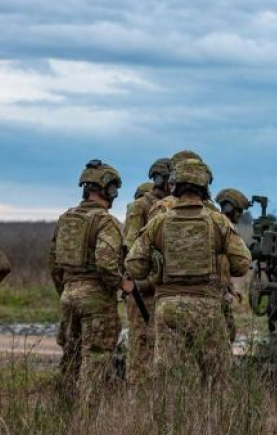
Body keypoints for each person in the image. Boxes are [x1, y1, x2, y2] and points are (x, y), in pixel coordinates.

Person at [125, 159, 250, 384]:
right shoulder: (219, 222)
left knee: (170, 381)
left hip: (168, 308)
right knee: (217, 380)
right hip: (207, 309)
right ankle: (211, 418)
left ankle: (173, 418)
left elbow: (134, 265)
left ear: (174, 185)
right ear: (205, 188)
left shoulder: (158, 222)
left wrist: (158, 262)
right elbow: (241, 264)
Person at [49, 159, 124, 403]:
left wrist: (67, 288)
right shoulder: (106, 221)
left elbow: (54, 264)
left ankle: (64, 411)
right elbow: (106, 263)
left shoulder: (65, 218)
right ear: (107, 189)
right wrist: (121, 284)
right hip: (96, 299)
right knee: (95, 360)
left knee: (70, 357)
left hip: (68, 295)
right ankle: (87, 419)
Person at [121, 157, 172, 385]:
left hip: (163, 290)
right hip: (143, 290)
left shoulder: (170, 206)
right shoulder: (141, 207)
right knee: (141, 348)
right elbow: (131, 250)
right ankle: (137, 404)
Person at [214, 188, 252, 342]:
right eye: (238, 210)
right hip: (215, 294)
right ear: (229, 208)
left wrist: (230, 288)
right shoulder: (222, 226)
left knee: (229, 333)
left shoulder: (220, 224)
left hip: (221, 292)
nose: (240, 214)